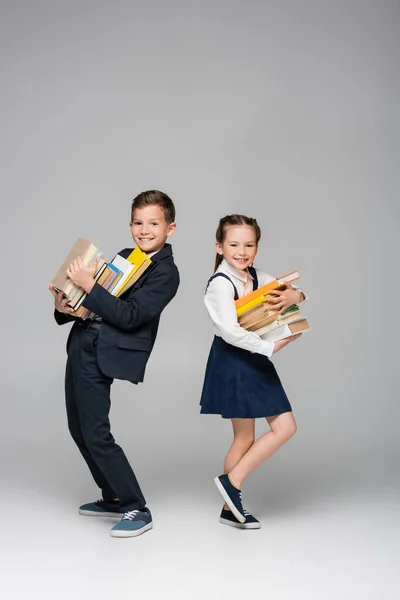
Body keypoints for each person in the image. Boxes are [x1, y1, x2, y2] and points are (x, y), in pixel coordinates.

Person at [49, 190, 179, 538]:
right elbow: (96, 304)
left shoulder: (166, 273)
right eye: (138, 222)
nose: (145, 229)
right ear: (130, 225)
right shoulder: (125, 256)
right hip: (81, 341)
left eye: (154, 223)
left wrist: (89, 284)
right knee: (78, 428)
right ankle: (114, 495)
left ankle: (137, 506)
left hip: (104, 350)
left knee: (96, 432)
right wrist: (66, 305)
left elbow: (130, 315)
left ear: (171, 228)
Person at [200, 214, 308, 529]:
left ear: (257, 247)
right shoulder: (220, 284)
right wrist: (270, 349)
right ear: (219, 247)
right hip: (233, 360)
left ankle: (229, 499)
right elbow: (229, 331)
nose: (242, 251)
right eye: (234, 244)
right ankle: (232, 487)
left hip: (255, 359)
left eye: (249, 244)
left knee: (263, 432)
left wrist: (296, 296)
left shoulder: (258, 276)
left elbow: (294, 293)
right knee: (253, 434)